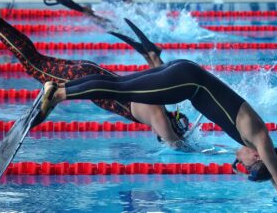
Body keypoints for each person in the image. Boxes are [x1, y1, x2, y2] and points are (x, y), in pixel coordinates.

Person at [0, 0, 190, 149]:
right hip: (86, 78)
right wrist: (184, 145)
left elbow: (162, 74)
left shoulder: (157, 98)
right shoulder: (155, 112)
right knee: (36, 67)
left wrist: (153, 59)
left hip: (92, 72)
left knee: (38, 62)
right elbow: (174, 144)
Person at [39, 48, 277, 185]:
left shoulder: (249, 137)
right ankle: (59, 94)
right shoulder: (258, 136)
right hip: (188, 81)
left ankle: (59, 87)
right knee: (119, 89)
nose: (238, 165)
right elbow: (272, 161)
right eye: (244, 166)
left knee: (118, 83)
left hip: (188, 74)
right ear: (258, 157)